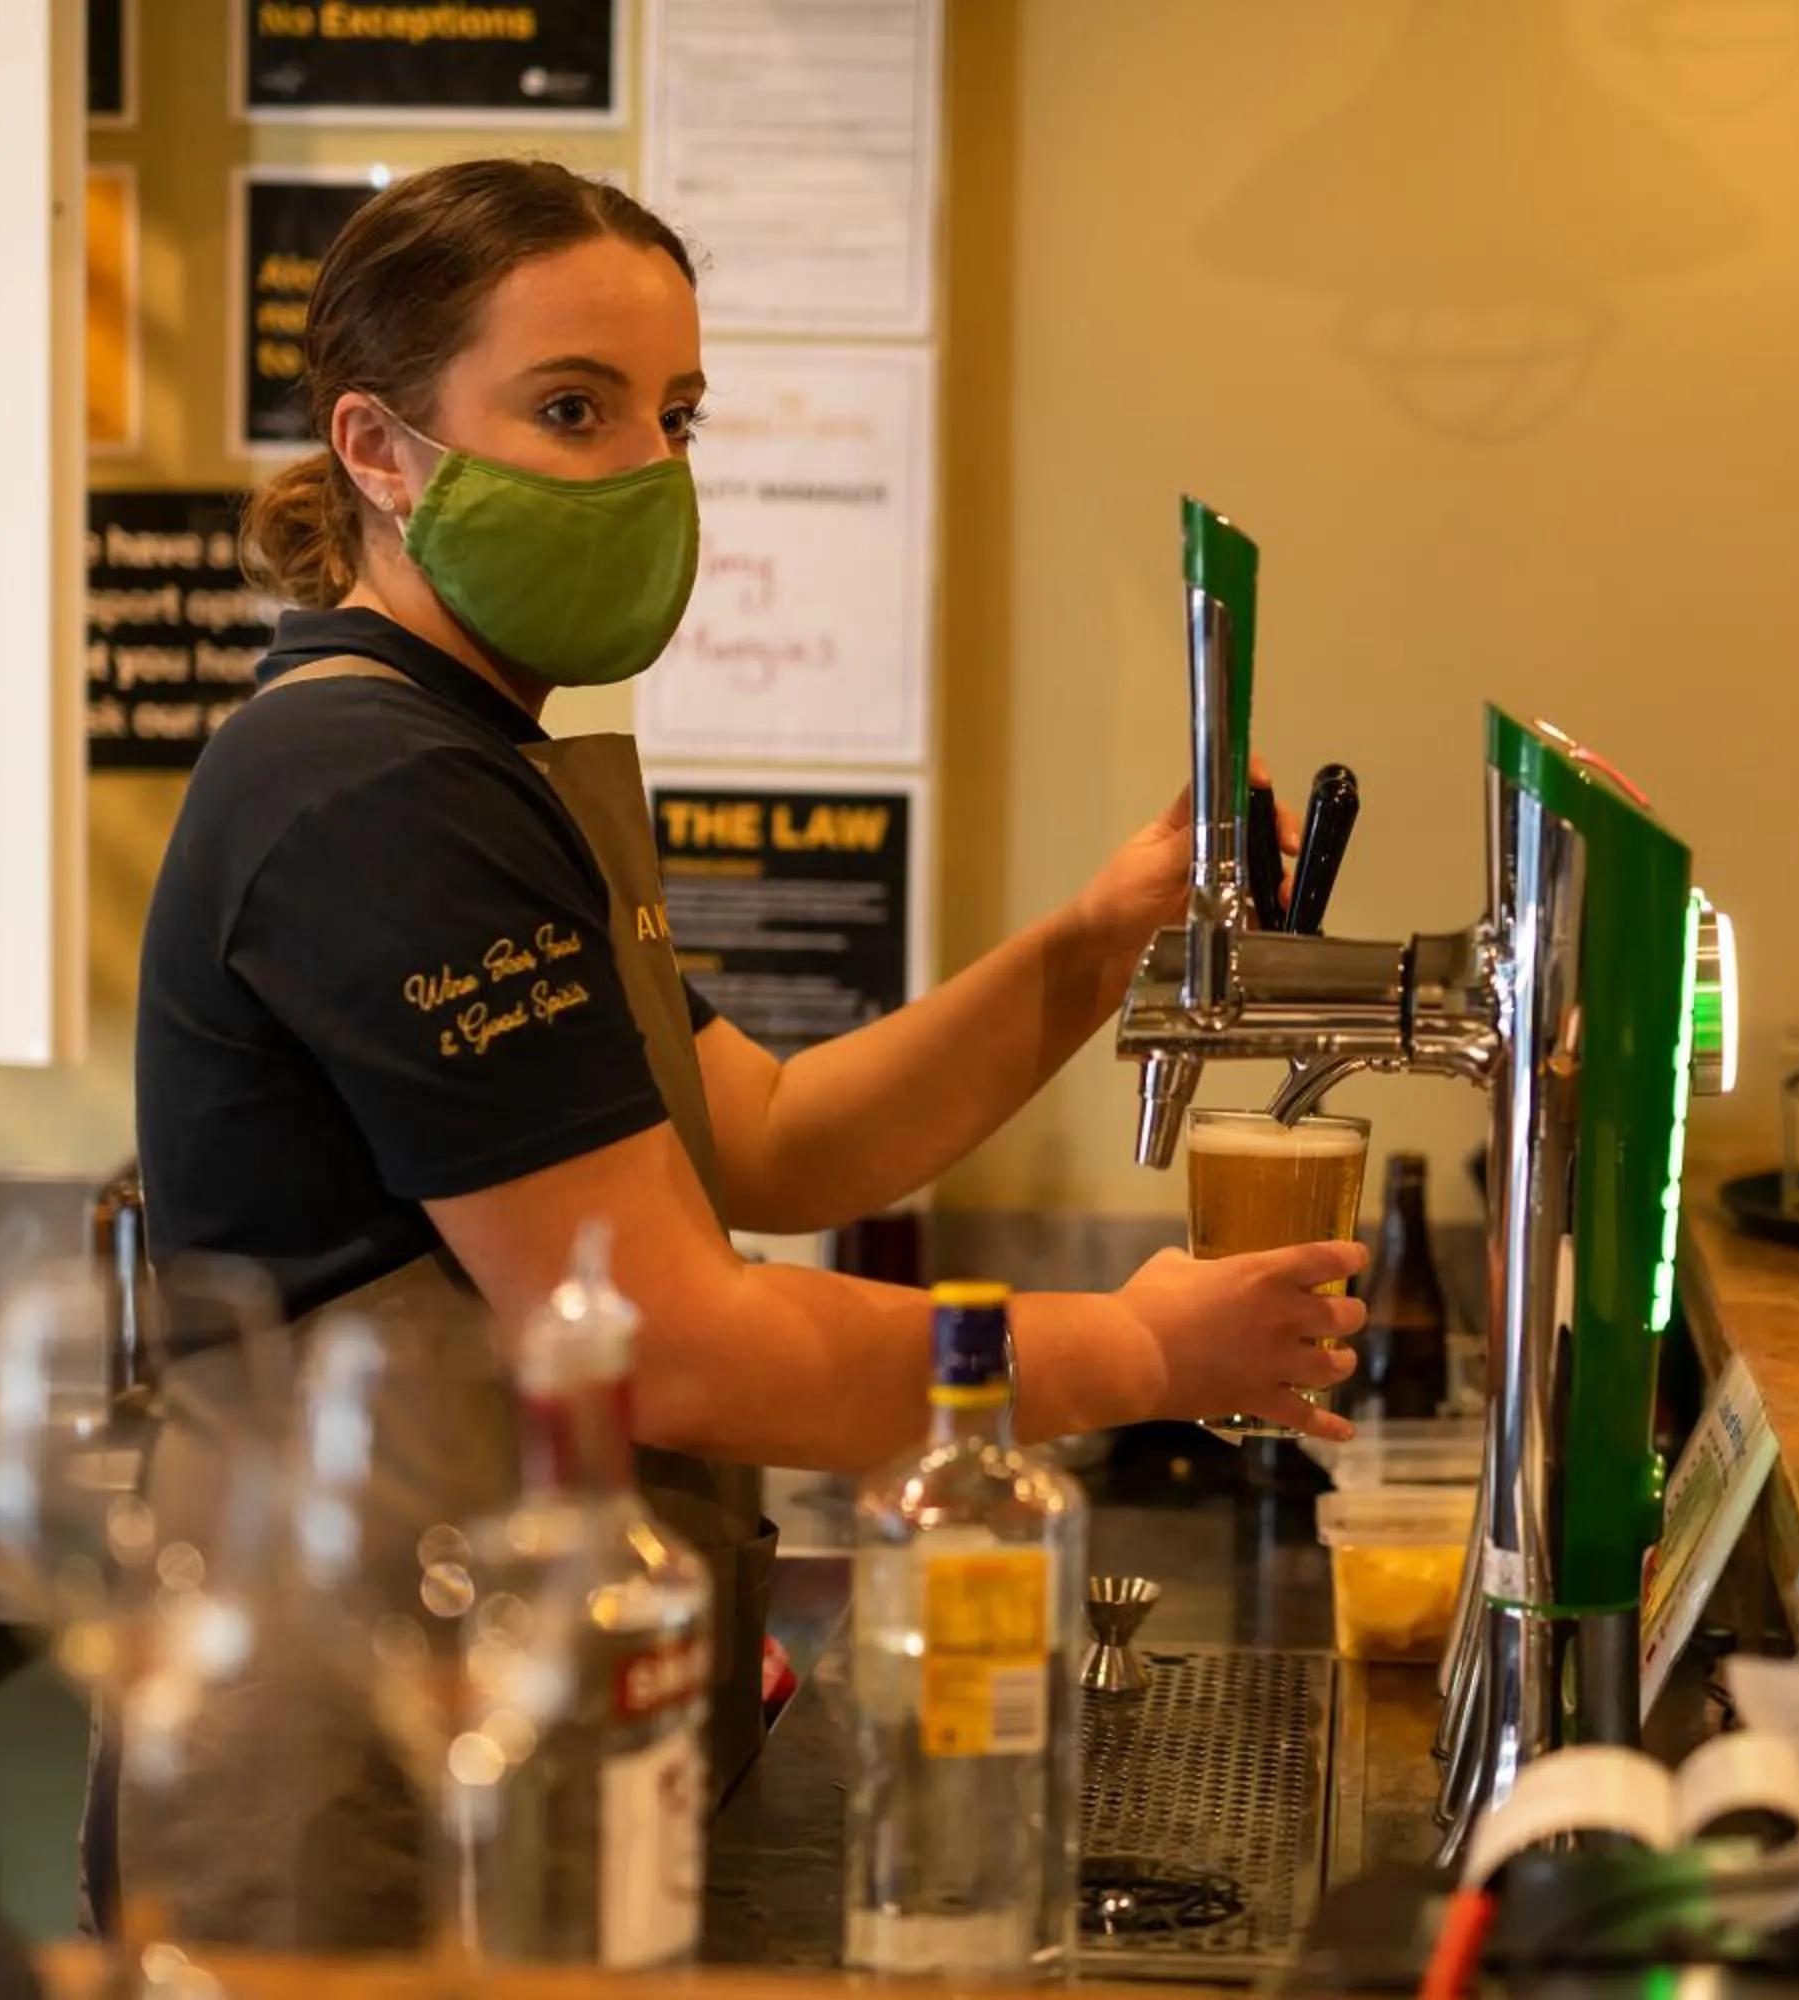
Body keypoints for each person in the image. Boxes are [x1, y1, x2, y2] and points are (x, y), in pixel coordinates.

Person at [123, 158, 1365, 1947]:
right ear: (379, 451)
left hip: (495, 1711)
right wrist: (1135, 1346)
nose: (645, 470)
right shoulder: (378, 796)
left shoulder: (473, 761)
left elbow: (776, 1138)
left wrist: (1099, 943)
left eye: (674, 416)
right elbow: (679, 1350)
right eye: (572, 409)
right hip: (364, 1797)